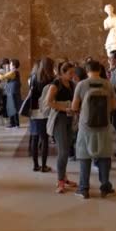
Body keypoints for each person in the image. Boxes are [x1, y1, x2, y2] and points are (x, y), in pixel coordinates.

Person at [71, 61, 116, 199]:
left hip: (86, 126)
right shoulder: (108, 84)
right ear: (99, 69)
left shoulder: (82, 85)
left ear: (87, 70)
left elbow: (74, 107)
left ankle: (83, 188)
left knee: (85, 156)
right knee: (104, 155)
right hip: (104, 125)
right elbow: (114, 105)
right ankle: (105, 187)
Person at [47, 62, 77, 193]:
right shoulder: (56, 84)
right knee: (63, 151)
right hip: (59, 119)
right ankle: (60, 181)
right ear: (62, 73)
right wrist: (65, 108)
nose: (72, 75)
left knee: (67, 148)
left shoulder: (71, 84)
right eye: (69, 73)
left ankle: (64, 177)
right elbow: (49, 102)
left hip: (70, 118)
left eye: (73, 73)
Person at [28, 57, 55, 172]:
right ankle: (43, 166)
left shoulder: (34, 77)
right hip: (45, 111)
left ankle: (35, 165)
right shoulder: (51, 79)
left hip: (34, 111)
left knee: (34, 138)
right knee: (44, 139)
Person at [0, 59, 22, 128]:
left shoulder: (14, 72)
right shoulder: (12, 71)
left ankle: (16, 123)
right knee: (11, 107)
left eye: (11, 64)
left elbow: (3, 77)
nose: (9, 65)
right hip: (11, 91)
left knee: (13, 107)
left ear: (14, 65)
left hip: (13, 91)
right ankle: (12, 123)